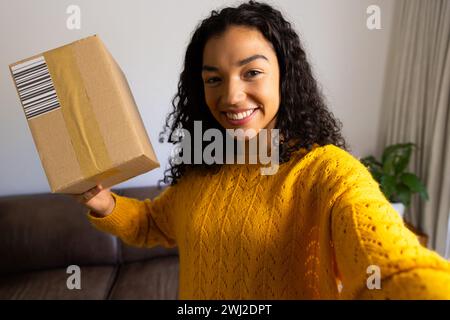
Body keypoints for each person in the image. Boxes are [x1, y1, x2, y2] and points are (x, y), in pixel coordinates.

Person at [74, 1, 450, 299]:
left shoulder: (328, 173)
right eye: (214, 79)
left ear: (285, 76)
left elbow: (392, 266)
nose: (231, 96)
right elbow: (153, 223)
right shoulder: (204, 165)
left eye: (251, 72)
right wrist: (106, 204)